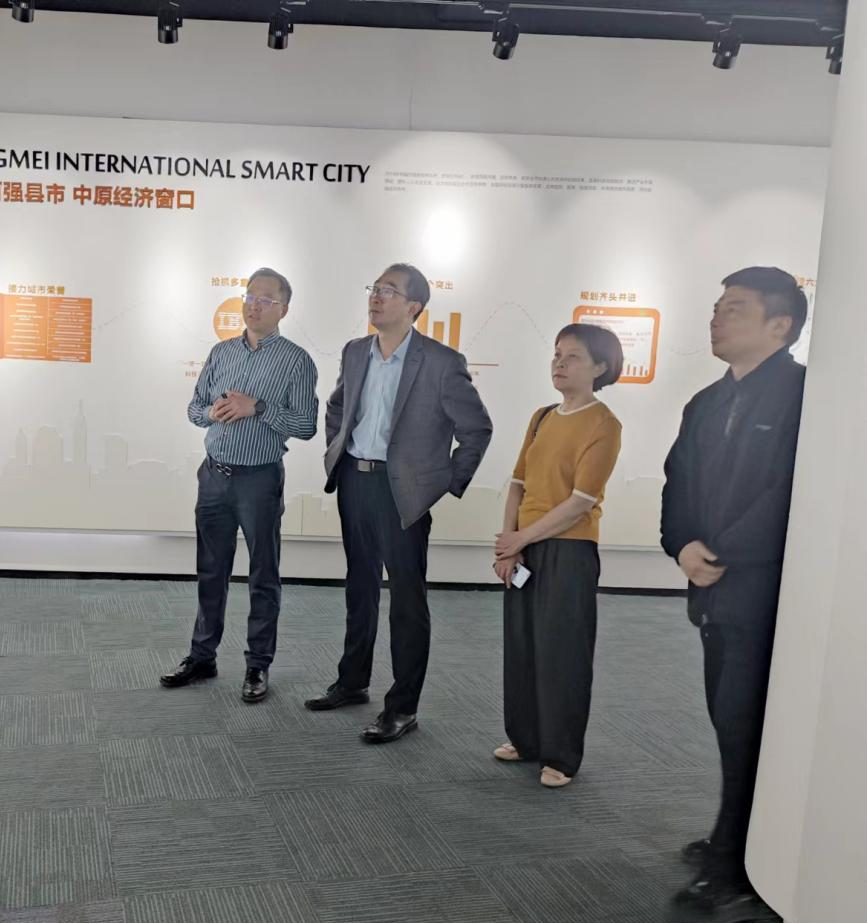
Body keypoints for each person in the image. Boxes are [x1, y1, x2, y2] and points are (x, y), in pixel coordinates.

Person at [660, 267, 807, 923]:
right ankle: (735, 836)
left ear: (780, 325)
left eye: (735, 308)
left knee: (747, 728)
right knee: (729, 723)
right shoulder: (706, 402)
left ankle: (738, 875)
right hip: (711, 592)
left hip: (765, 595)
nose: (716, 318)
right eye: (717, 307)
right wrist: (683, 545)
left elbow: (788, 494)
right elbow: (677, 483)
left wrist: (721, 553)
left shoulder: (805, 396)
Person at [305, 263, 492, 742]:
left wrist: (442, 483)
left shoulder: (441, 362)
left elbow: (476, 429)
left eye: (389, 291)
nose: (376, 297)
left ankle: (403, 708)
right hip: (355, 480)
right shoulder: (355, 352)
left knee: (407, 600)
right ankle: (352, 682)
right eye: (375, 288)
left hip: (402, 492)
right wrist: (337, 451)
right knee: (359, 587)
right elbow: (338, 406)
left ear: (414, 307)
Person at [160, 267, 319, 703]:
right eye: (250, 296)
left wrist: (258, 408)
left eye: (266, 299)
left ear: (284, 309)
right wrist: (210, 414)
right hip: (214, 476)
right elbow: (194, 409)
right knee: (211, 572)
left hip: (259, 480)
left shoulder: (296, 361)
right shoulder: (221, 352)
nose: (254, 305)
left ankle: (257, 665)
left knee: (263, 575)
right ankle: (202, 656)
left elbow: (306, 426)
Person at [491, 324, 624, 788]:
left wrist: (521, 539)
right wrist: (508, 543)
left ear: (601, 367)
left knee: (562, 654)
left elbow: (581, 502)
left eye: (573, 357)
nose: (559, 364)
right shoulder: (542, 417)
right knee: (522, 647)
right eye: (557, 354)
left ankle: (561, 755)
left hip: (569, 549)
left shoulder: (604, 424)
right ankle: (525, 739)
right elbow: (517, 483)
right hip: (525, 545)